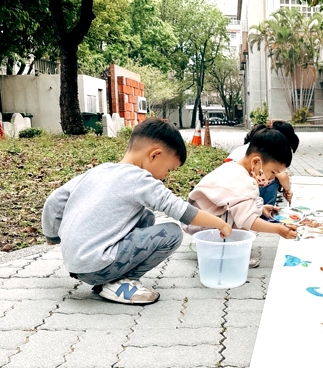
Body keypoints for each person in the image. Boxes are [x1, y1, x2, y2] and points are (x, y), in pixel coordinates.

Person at [41, 119, 232, 305]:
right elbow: (181, 210)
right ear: (155, 155)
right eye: (169, 169)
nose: (166, 176)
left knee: (145, 216)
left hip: (76, 262)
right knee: (172, 234)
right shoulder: (139, 179)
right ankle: (118, 283)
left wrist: (53, 236)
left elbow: (54, 200)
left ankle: (109, 277)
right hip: (97, 265)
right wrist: (220, 223)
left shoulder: (99, 170)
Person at [184, 127, 299, 249]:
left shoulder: (234, 167)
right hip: (203, 227)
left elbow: (243, 200)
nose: (272, 178)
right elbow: (247, 220)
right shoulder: (242, 180)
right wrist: (278, 229)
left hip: (198, 221)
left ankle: (221, 244)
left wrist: (261, 209)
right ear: (256, 162)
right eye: (273, 172)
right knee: (244, 218)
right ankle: (230, 250)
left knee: (249, 210)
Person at [225, 121, 299, 205]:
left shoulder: (254, 146)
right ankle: (268, 209)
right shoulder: (241, 181)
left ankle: (264, 209)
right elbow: (282, 176)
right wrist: (287, 190)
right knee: (273, 180)